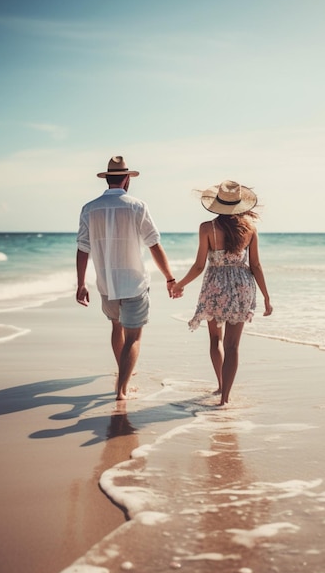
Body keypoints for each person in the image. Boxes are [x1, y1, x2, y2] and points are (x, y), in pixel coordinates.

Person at [76, 155, 177, 401]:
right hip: (134, 283)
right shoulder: (137, 206)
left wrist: (81, 284)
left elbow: (82, 248)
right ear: (126, 179)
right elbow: (154, 244)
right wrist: (170, 278)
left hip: (105, 283)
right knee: (133, 337)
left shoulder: (90, 208)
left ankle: (123, 379)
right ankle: (121, 390)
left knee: (116, 327)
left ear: (108, 178)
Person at [172, 180, 272, 405]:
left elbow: (199, 266)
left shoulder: (207, 228)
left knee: (215, 339)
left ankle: (219, 384)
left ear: (217, 203)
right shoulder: (249, 228)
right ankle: (225, 397)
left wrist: (180, 284)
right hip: (242, 285)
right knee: (233, 346)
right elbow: (255, 265)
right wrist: (266, 296)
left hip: (216, 285)